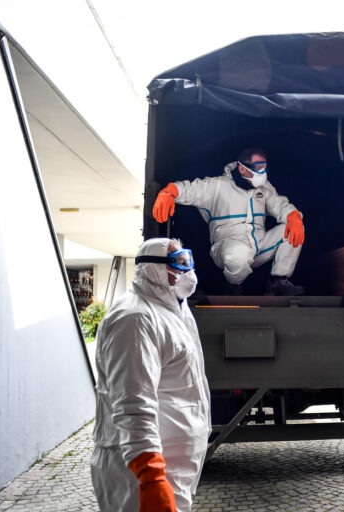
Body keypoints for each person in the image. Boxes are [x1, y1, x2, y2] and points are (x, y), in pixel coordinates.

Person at [90, 238, 211, 511]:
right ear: (155, 269)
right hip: (139, 475)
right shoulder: (135, 318)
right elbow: (133, 402)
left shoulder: (171, 310)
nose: (188, 271)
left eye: (187, 262)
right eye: (179, 263)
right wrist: (150, 474)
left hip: (170, 469)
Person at [152, 147, 305, 296]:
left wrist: (293, 216)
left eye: (264, 167)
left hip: (258, 245)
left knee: (293, 227)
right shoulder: (217, 186)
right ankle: (233, 285)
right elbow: (190, 189)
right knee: (239, 253)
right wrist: (169, 192)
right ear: (242, 169)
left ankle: (277, 281)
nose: (263, 172)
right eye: (258, 167)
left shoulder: (264, 188)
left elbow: (280, 205)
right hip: (228, 248)